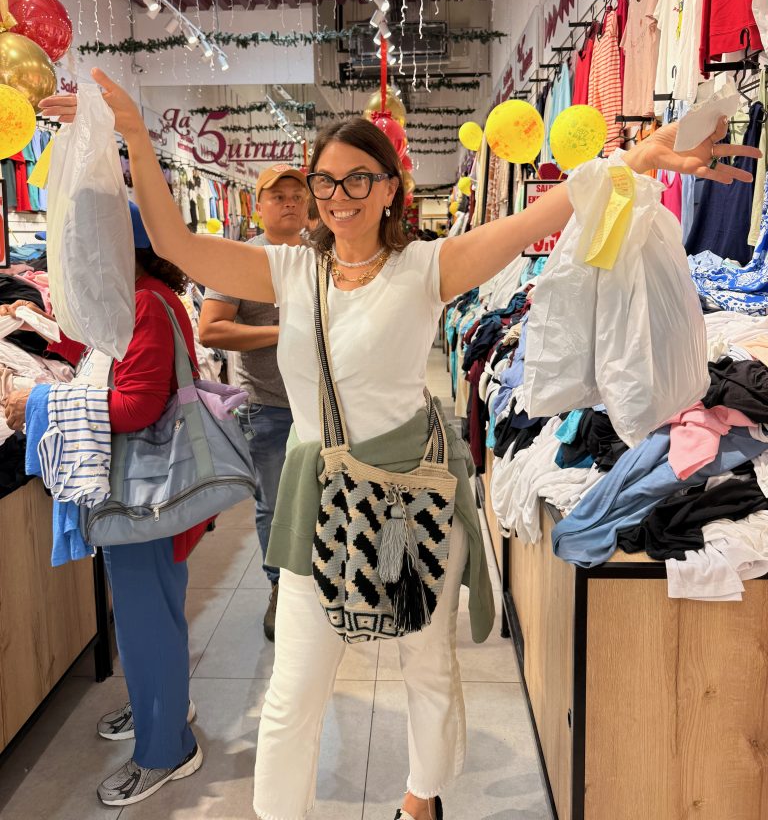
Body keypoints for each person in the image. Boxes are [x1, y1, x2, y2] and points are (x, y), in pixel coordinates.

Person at [39, 71, 757, 820]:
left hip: (412, 496)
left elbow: (544, 213)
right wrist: (134, 135)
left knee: (425, 662)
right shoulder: (289, 269)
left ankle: (421, 802)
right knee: (294, 687)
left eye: (359, 178)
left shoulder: (426, 267)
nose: (339, 195)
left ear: (390, 188)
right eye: (325, 181)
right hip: (316, 497)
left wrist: (638, 157)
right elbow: (175, 242)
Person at [2, 203, 205, 808]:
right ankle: (161, 703)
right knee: (153, 613)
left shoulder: (143, 303)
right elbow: (99, 352)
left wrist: (40, 401)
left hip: (141, 493)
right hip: (146, 488)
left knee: (145, 620)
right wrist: (36, 322)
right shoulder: (139, 297)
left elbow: (138, 404)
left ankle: (166, 750)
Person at [199, 164, 309, 640]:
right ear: (259, 205)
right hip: (268, 406)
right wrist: (284, 332)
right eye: (277, 196)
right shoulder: (241, 260)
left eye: (297, 195)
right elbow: (210, 329)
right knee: (275, 505)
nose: (289, 203)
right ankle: (281, 588)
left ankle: (318, 586)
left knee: (326, 498)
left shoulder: (324, 255)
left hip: (325, 404)